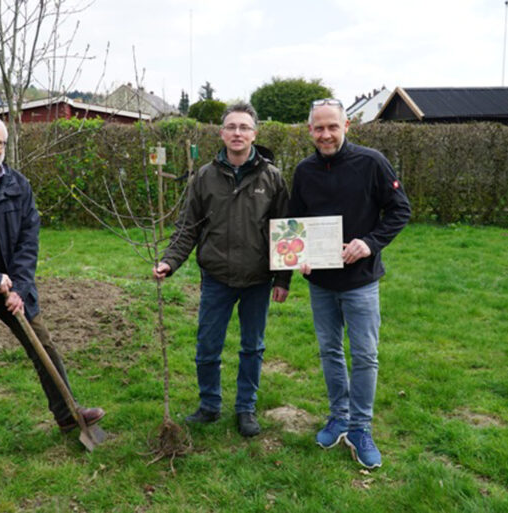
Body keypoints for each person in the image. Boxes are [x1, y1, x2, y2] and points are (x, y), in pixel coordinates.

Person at [0, 113, 104, 448]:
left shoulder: (18, 184)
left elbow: (29, 239)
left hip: (12, 288)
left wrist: (19, 288)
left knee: (45, 351)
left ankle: (69, 414)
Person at [152, 102, 291, 437]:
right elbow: (188, 227)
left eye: (244, 127)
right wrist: (170, 261)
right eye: (231, 127)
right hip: (216, 278)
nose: (237, 133)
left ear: (255, 134)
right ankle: (210, 405)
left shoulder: (271, 178)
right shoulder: (204, 177)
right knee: (207, 345)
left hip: (258, 279)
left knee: (252, 347)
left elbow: (285, 230)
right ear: (222, 133)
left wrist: (283, 278)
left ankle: (246, 408)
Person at [288, 99, 410, 468]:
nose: (326, 134)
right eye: (318, 128)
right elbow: (295, 223)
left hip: (360, 282)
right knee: (329, 352)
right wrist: (298, 258)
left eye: (332, 127)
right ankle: (338, 416)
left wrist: (369, 243)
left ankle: (361, 427)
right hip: (321, 283)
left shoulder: (371, 162)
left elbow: (400, 209)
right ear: (310, 130)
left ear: (346, 127)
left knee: (365, 356)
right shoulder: (304, 171)